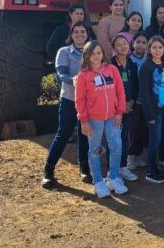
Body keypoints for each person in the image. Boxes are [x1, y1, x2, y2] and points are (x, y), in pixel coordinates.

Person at [75, 41, 129, 198]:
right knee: (95, 149)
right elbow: (80, 100)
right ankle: (98, 181)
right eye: (92, 54)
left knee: (116, 145)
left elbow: (120, 91)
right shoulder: (83, 75)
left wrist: (120, 112)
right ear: (87, 56)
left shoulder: (111, 70)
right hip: (94, 120)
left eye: (99, 53)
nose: (96, 56)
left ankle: (113, 177)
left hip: (113, 117)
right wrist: (84, 121)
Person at [42, 22, 91, 189]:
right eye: (76, 32)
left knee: (85, 135)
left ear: (87, 34)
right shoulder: (63, 52)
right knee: (63, 134)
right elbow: (61, 74)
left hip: (89, 101)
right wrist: (76, 81)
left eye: (82, 31)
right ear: (71, 35)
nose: (79, 34)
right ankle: (48, 172)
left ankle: (84, 169)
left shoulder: (92, 52)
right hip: (70, 99)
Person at [140, 36, 164, 184]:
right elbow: (144, 92)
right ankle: (151, 170)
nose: (157, 50)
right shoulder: (146, 67)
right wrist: (150, 114)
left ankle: (163, 161)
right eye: (154, 47)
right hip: (154, 110)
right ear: (149, 49)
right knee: (155, 139)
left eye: (160, 47)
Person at [110, 34, 140, 182]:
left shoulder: (132, 64)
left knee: (124, 137)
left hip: (129, 107)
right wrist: (120, 106)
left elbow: (136, 86)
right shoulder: (109, 65)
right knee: (114, 139)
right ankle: (113, 170)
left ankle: (122, 167)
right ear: (114, 48)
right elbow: (108, 89)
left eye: (125, 43)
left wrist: (131, 102)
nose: (122, 46)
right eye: (118, 44)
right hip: (114, 109)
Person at [126, 32, 150, 170]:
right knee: (133, 129)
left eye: (144, 42)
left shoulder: (149, 58)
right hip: (133, 100)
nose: (141, 45)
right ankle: (130, 158)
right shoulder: (129, 59)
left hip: (145, 100)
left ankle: (138, 155)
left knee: (143, 129)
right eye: (138, 42)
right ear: (133, 43)